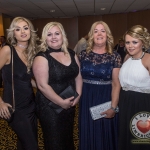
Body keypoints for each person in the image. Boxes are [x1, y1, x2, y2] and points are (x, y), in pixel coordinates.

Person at [33, 22, 82, 150]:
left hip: (69, 104)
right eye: (49, 34)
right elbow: (42, 85)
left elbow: (78, 76)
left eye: (56, 33)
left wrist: (78, 95)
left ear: (62, 35)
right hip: (50, 107)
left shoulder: (72, 53)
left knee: (67, 137)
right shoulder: (41, 57)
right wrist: (61, 102)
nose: (53, 37)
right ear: (45, 38)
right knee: (54, 141)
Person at [79, 21, 121, 150]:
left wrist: (113, 108)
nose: (99, 34)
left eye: (102, 31)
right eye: (96, 31)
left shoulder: (115, 56)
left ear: (107, 34)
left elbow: (116, 84)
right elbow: (77, 79)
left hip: (106, 97)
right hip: (86, 98)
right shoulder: (82, 54)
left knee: (105, 132)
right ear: (91, 35)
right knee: (87, 130)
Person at [0, 17, 38, 150]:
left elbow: (26, 79)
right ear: (13, 33)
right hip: (15, 107)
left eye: (25, 28)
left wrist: (44, 86)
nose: (22, 31)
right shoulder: (7, 51)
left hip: (30, 105)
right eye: (18, 29)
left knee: (24, 143)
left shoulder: (31, 53)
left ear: (30, 31)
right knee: (32, 145)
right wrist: (0, 102)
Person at [118, 25, 150, 150]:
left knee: (140, 140)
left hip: (143, 105)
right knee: (127, 138)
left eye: (134, 42)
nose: (130, 46)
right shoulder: (127, 58)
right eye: (127, 42)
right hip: (125, 103)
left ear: (143, 42)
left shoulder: (148, 59)